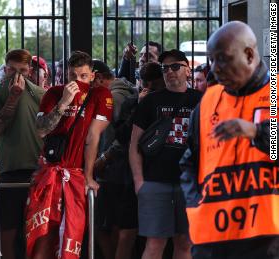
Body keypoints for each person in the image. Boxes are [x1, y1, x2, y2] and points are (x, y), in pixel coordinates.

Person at [180, 21, 279, 259]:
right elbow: (189, 161)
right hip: (214, 237)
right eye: (211, 60)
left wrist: (257, 132)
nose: (215, 69)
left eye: (222, 59)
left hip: (267, 238)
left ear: (248, 54)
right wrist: (196, 205)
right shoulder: (208, 101)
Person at [26, 51, 113, 259]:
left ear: (92, 75)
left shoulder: (100, 95)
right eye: (73, 76)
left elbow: (93, 137)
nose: (78, 81)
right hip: (49, 173)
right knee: (42, 237)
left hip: (76, 175)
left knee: (72, 234)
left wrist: (89, 176)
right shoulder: (53, 93)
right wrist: (64, 102)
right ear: (66, 75)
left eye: (83, 76)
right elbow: (41, 130)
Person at [129, 49, 202, 259]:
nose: (170, 71)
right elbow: (134, 145)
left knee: (185, 242)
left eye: (175, 66)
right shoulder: (151, 101)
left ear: (188, 70)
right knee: (154, 243)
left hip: (190, 184)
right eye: (165, 68)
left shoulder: (202, 100)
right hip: (154, 182)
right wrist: (139, 181)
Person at [0, 49, 46, 259]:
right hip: (10, 170)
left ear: (30, 70)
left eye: (22, 70)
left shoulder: (40, 94)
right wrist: (12, 98)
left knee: (36, 231)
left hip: (37, 171)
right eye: (12, 70)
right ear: (5, 69)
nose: (17, 75)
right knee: (8, 232)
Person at [92, 60, 138, 259]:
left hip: (112, 171)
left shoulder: (113, 97)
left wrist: (103, 158)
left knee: (106, 226)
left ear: (99, 78)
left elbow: (119, 137)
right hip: (119, 170)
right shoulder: (124, 92)